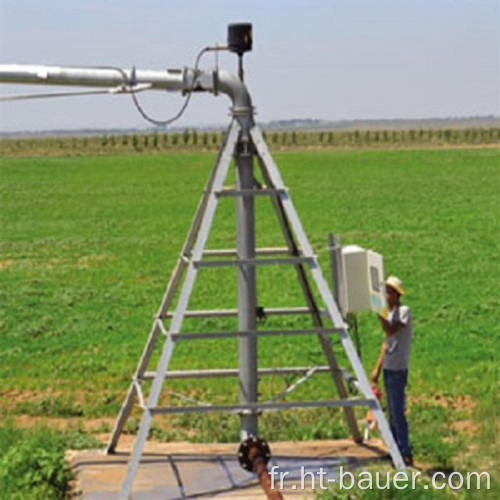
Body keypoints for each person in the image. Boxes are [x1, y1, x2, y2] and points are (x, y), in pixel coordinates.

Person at [371, 276, 413, 466]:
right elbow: (386, 342)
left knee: (397, 412)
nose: (386, 295)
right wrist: (378, 367)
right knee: (392, 413)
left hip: (397, 368)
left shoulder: (404, 312)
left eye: (389, 291)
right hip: (389, 367)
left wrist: (379, 313)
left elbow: (390, 331)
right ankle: (395, 448)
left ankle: (404, 451)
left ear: (396, 294)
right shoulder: (390, 313)